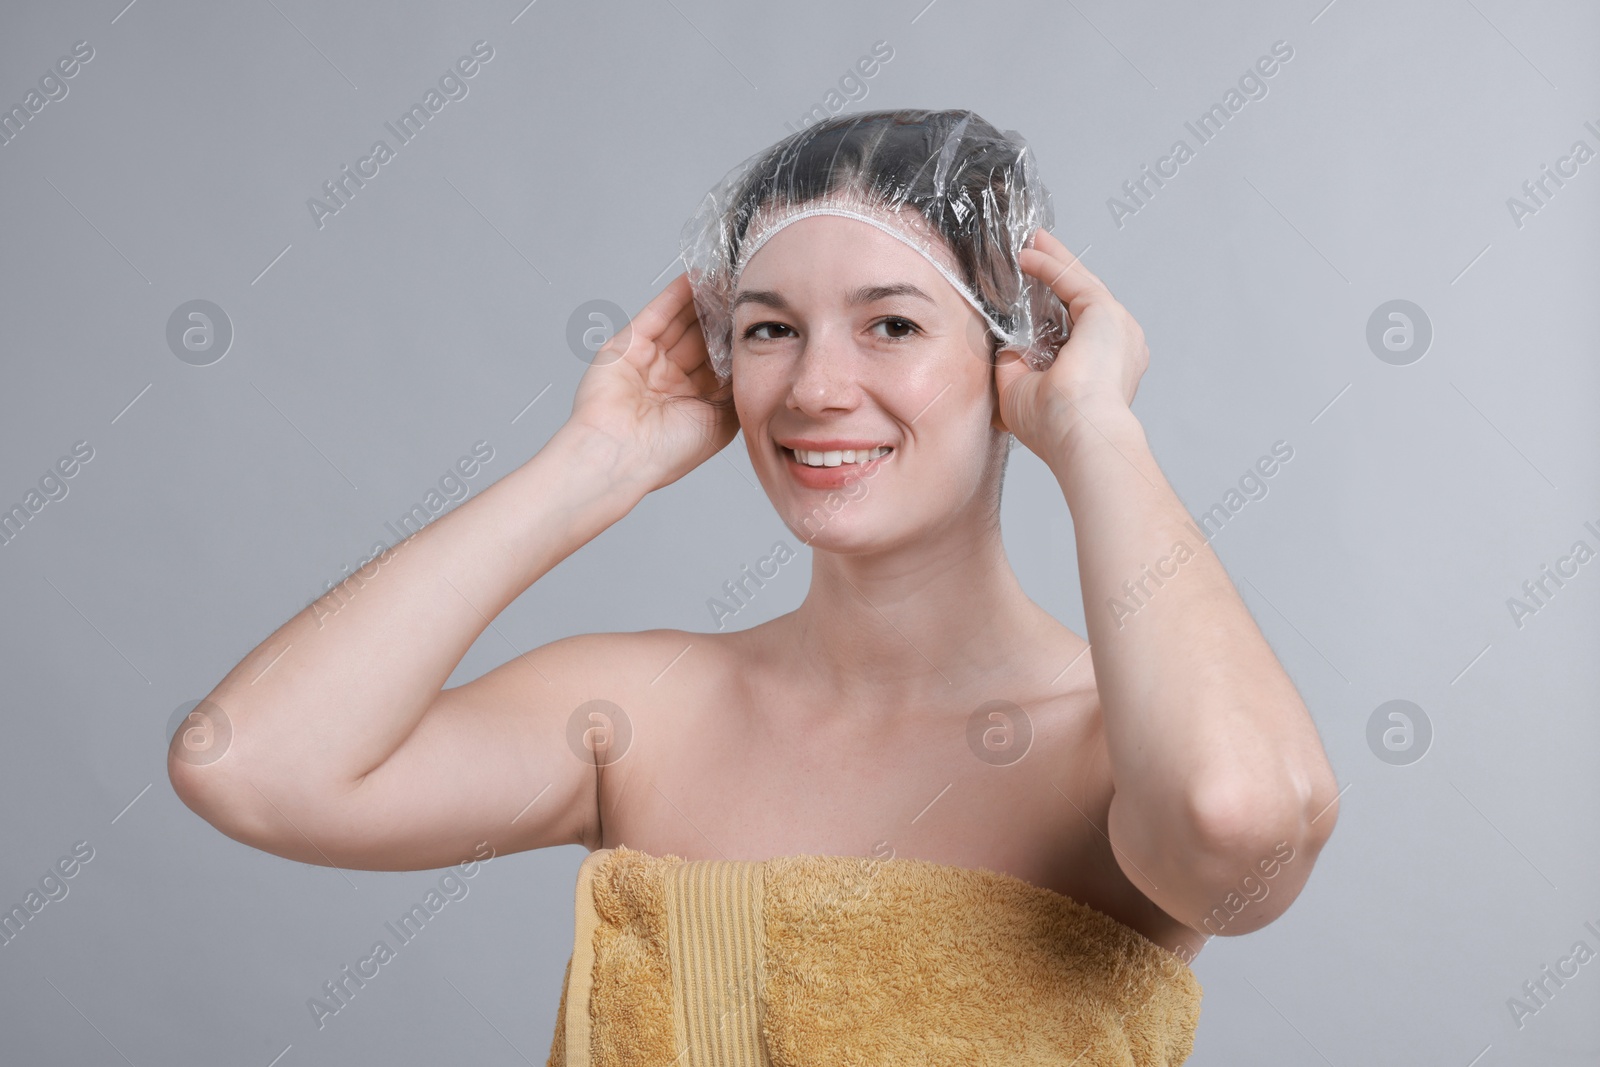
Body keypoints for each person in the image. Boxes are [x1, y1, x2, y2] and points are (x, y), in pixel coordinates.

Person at [170, 108, 1340, 1061]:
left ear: (1014, 351)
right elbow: (250, 763)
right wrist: (587, 471)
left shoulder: (1114, 742)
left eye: (890, 323)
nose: (817, 387)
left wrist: (1097, 432)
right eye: (771, 329)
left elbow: (1235, 830)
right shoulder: (641, 711)